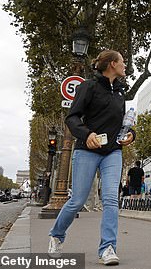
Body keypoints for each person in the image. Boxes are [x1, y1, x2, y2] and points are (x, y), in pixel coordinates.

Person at [48, 50, 135, 266]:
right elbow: (72, 117)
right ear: (112, 64)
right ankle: (56, 236)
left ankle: (107, 248)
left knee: (111, 199)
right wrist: (88, 135)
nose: (126, 66)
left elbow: (122, 123)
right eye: (123, 62)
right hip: (87, 150)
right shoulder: (88, 86)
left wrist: (131, 136)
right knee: (77, 200)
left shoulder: (120, 94)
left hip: (112, 152)